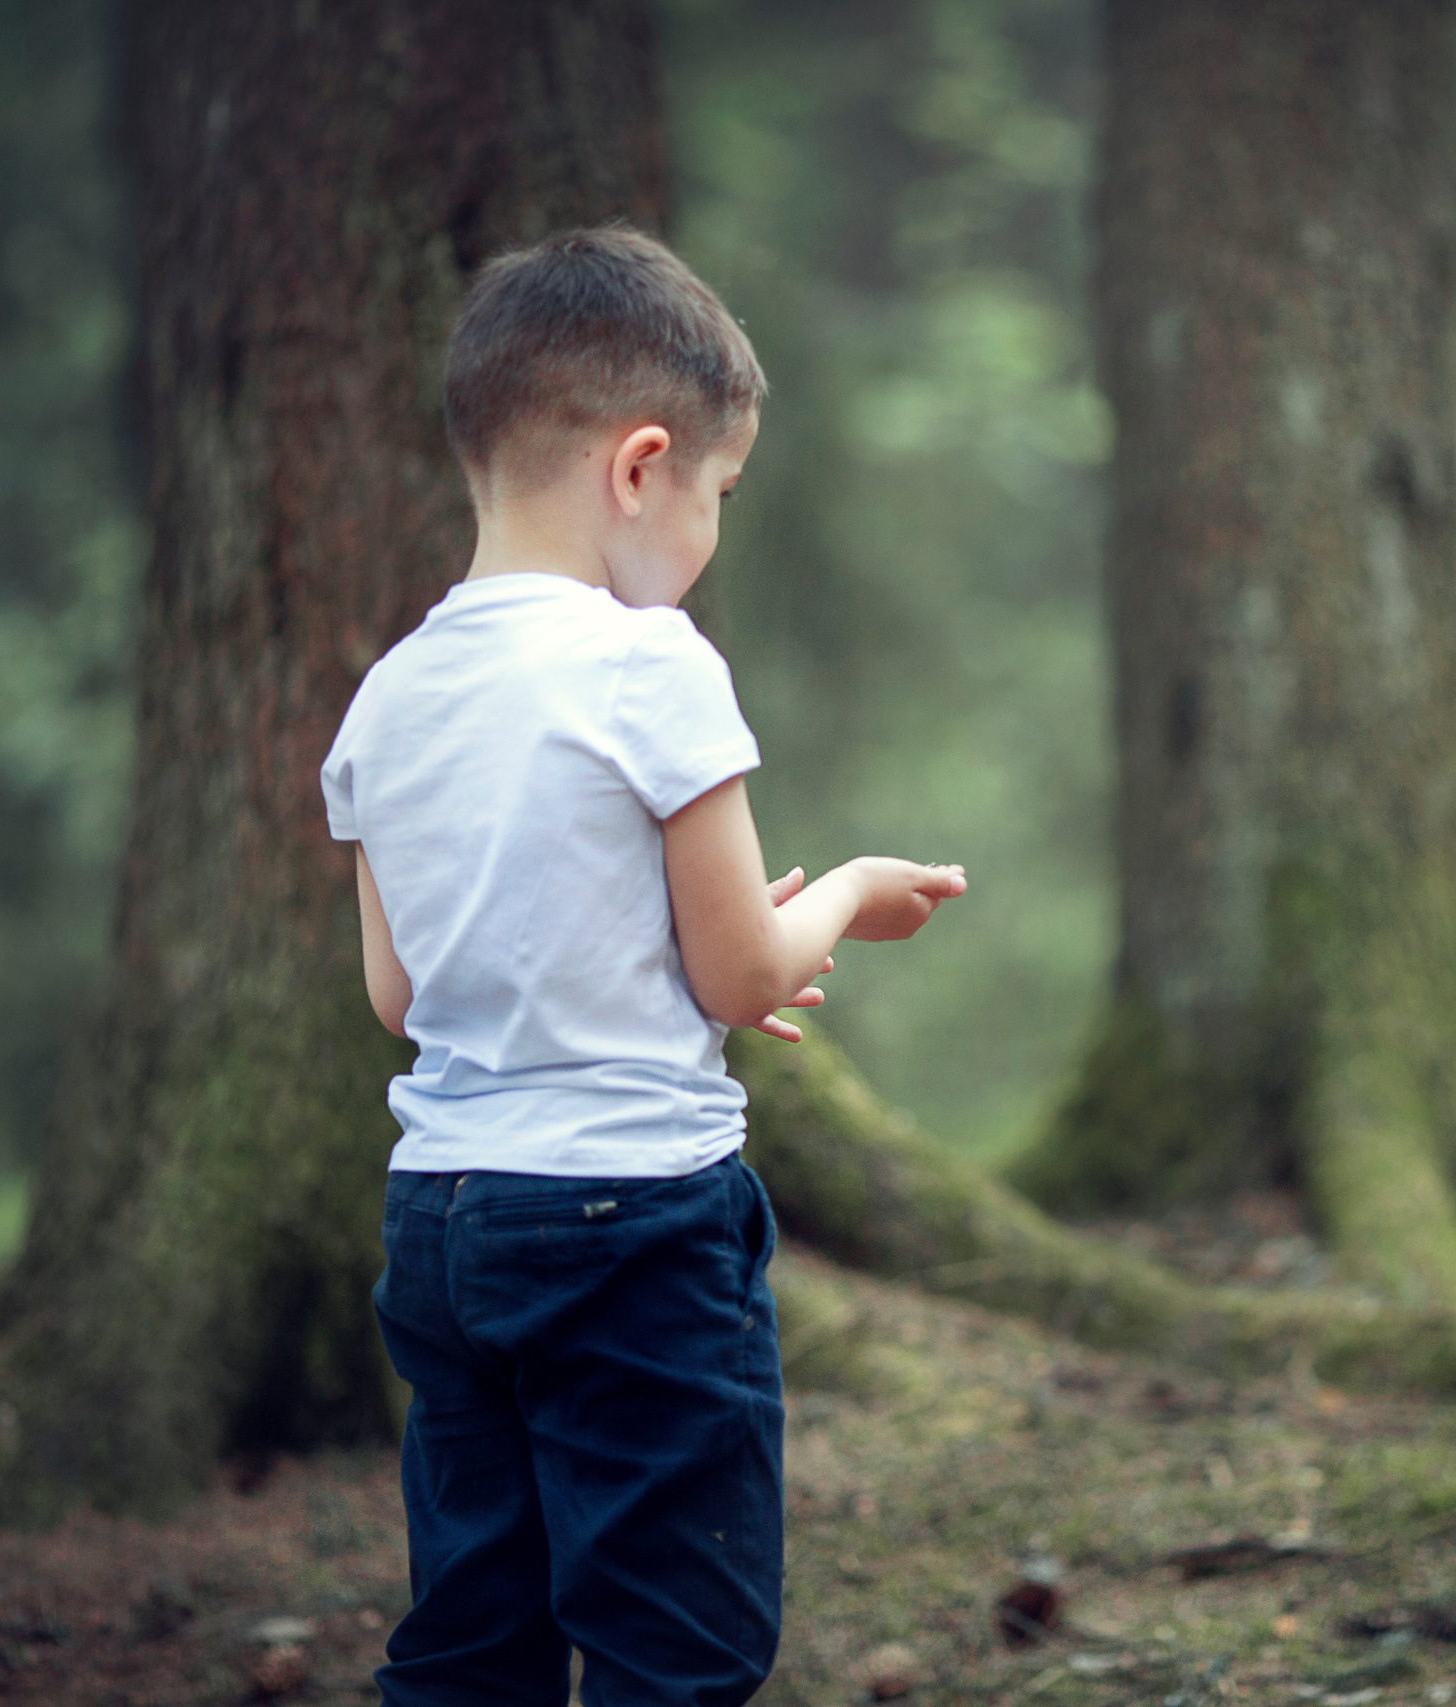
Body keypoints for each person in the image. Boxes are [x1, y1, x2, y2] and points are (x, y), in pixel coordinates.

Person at [319, 224, 966, 1707]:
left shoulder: (390, 694)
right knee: (678, 1636)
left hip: (443, 1216)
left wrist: (696, 939)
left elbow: (405, 995)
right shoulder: (649, 659)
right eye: (720, 493)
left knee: (477, 1624)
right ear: (641, 464)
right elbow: (744, 978)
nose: (712, 528)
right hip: (630, 1223)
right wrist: (850, 893)